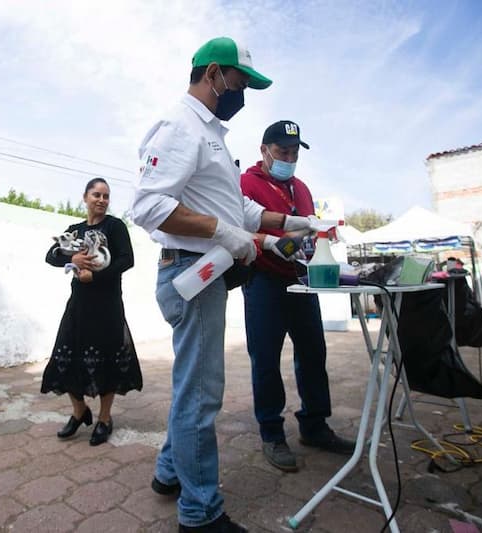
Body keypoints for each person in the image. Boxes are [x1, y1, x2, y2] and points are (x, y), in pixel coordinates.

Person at [131, 37, 319, 532]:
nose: (243, 93)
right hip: (191, 271)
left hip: (206, 271)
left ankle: (170, 473)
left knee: (191, 385)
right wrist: (226, 233)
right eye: (240, 82)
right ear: (214, 73)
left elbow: (240, 209)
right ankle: (200, 513)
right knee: (200, 395)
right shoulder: (180, 125)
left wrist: (297, 225)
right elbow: (148, 207)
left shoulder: (210, 133)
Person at [239, 121, 355, 472]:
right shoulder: (246, 183)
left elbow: (308, 228)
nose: (289, 158)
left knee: (312, 352)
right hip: (264, 281)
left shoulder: (301, 188)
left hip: (301, 280)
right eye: (282, 152)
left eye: (293, 152)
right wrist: (276, 242)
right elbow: (242, 225)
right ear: (264, 150)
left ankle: (315, 424)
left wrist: (316, 238)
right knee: (266, 358)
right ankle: (272, 433)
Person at [41, 178, 142, 446]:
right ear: (85, 197)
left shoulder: (115, 226)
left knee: (108, 359)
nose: (101, 199)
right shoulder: (74, 230)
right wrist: (71, 258)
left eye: (106, 196)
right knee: (65, 355)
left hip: (107, 303)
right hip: (79, 304)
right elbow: (51, 255)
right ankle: (79, 411)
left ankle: (105, 418)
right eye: (96, 194)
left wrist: (95, 277)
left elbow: (126, 260)